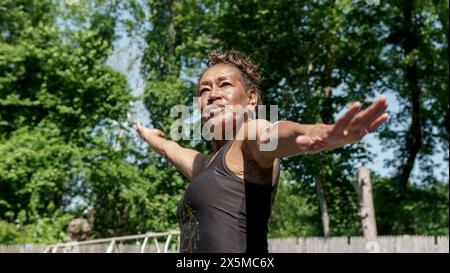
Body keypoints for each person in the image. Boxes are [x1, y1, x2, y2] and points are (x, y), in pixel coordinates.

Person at [134, 50, 389, 253]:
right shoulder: (205, 166)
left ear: (251, 99)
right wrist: (148, 136)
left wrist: (315, 132)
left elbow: (273, 134)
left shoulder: (250, 135)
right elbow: (171, 149)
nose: (213, 95)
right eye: (204, 90)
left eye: (224, 85)